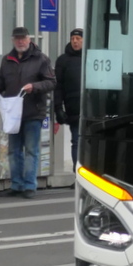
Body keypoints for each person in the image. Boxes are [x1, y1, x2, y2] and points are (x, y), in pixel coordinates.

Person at [0, 27, 55, 198]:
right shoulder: (7, 59)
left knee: (31, 151)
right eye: (17, 38)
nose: (20, 41)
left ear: (29, 39)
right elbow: (1, 79)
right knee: (13, 151)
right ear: (13, 40)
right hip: (12, 114)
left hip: (33, 111)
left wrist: (34, 87)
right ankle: (16, 185)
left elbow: (51, 82)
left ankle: (29, 186)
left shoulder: (41, 59)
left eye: (23, 38)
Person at [52, 28, 84, 169]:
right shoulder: (63, 60)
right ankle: (77, 175)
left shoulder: (92, 57)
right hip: (73, 107)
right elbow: (58, 86)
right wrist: (58, 108)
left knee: (91, 143)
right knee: (76, 141)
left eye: (78, 39)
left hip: (92, 107)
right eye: (73, 39)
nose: (75, 42)